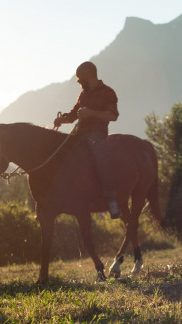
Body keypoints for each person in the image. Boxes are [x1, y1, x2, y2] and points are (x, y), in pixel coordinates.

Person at [54, 61, 122, 219]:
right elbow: (73, 115)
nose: (78, 82)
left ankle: (111, 200)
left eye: (79, 78)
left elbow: (113, 116)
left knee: (101, 158)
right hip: (79, 133)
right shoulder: (83, 95)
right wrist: (61, 120)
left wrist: (91, 113)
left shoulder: (107, 92)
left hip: (96, 133)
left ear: (89, 76)